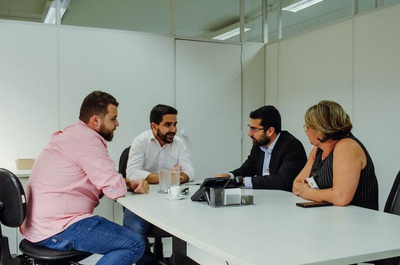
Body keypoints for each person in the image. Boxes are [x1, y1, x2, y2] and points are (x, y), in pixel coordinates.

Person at [20, 91, 149, 265]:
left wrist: (127, 183)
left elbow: (99, 179)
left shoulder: (71, 135)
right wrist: (126, 184)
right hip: (58, 228)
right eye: (113, 118)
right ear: (95, 120)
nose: (117, 123)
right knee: (134, 244)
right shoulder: (88, 140)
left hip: (40, 226)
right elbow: (114, 190)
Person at [124, 104, 194, 265]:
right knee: (133, 229)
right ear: (154, 126)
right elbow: (132, 173)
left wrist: (179, 176)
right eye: (168, 125)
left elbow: (190, 171)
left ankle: (173, 262)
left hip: (172, 200)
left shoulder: (178, 143)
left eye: (175, 124)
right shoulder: (140, 141)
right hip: (141, 200)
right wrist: (170, 176)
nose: (173, 129)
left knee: (194, 224)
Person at [292, 100, 378, 210]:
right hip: (330, 216)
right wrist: (321, 194)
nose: (306, 131)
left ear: (320, 130)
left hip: (359, 220)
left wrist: (309, 193)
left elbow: (341, 197)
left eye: (308, 127)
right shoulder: (318, 149)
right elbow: (297, 184)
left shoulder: (347, 146)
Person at [217, 105, 307, 191]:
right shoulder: (259, 144)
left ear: (270, 131)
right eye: (250, 128)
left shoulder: (292, 146)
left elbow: (282, 181)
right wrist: (230, 176)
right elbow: (249, 167)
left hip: (285, 201)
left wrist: (242, 181)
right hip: (265, 197)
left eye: (254, 129)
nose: (249, 134)